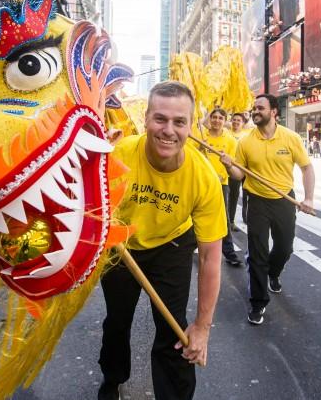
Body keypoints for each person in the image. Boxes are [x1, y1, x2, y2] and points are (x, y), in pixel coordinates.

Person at [98, 81, 225, 400]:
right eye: (160, 119)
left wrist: (203, 328)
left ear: (191, 126)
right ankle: (112, 378)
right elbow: (93, 209)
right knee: (117, 321)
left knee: (174, 332)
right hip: (122, 247)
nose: (168, 130)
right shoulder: (120, 155)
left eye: (179, 122)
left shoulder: (204, 177)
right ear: (146, 120)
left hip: (171, 246)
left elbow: (211, 257)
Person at [221, 94, 315, 325]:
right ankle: (258, 302)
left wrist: (309, 198)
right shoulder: (245, 142)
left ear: (274, 111)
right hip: (257, 201)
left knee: (285, 247)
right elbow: (240, 175)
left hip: (284, 199)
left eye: (260, 108)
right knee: (257, 253)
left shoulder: (290, 138)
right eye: (254, 108)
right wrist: (229, 166)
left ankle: (273, 273)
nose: (255, 111)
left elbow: (306, 168)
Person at [193, 108, 241, 266]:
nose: (216, 120)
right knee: (194, 217)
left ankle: (230, 254)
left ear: (224, 121)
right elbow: (191, 157)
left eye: (220, 118)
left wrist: (225, 169)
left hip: (221, 184)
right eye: (214, 117)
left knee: (223, 219)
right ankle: (190, 249)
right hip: (201, 182)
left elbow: (232, 164)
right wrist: (200, 148)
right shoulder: (200, 137)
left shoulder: (231, 141)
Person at [228, 112, 252, 228]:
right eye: (234, 119)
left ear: (243, 123)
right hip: (233, 169)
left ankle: (246, 217)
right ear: (231, 121)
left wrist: (247, 114)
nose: (236, 122)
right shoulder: (226, 133)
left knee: (247, 194)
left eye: (239, 120)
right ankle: (231, 221)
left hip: (246, 168)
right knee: (234, 195)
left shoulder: (247, 134)